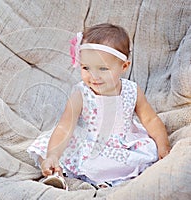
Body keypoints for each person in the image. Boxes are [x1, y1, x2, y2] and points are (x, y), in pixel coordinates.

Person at [27, 23, 171, 190]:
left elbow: (151, 119)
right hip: (89, 143)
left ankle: (111, 181)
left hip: (121, 143)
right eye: (86, 68)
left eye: (103, 68)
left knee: (148, 153)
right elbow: (65, 127)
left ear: (124, 66)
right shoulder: (81, 94)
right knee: (80, 159)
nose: (94, 76)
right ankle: (55, 173)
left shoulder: (132, 91)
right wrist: (53, 154)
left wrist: (163, 145)